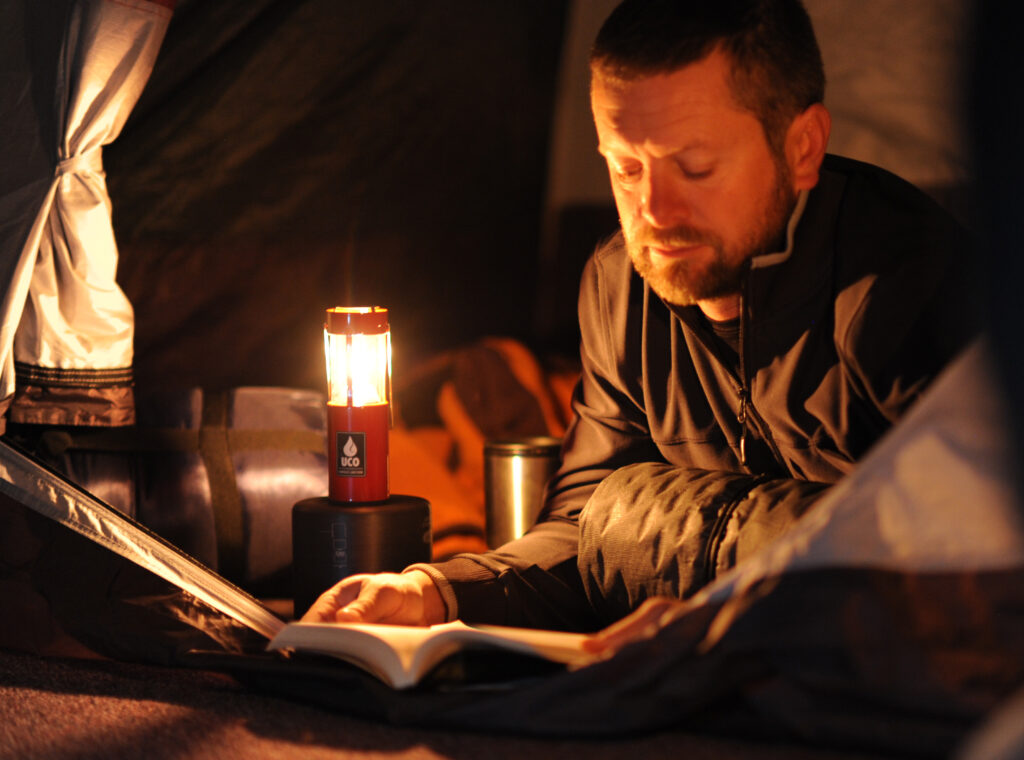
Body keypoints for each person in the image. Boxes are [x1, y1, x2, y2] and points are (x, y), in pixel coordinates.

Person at [303, 0, 978, 636]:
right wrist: (438, 591)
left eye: (695, 166)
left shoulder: (902, 281)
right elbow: (583, 523)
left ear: (802, 148)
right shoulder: (617, 285)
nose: (653, 212)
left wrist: (681, 565)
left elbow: (961, 551)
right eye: (626, 169)